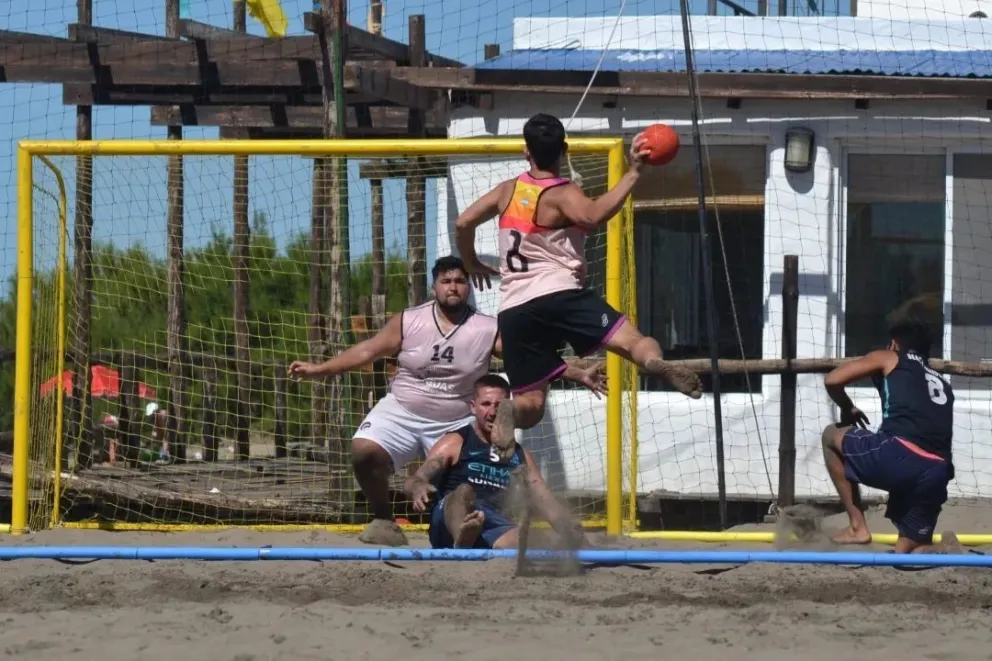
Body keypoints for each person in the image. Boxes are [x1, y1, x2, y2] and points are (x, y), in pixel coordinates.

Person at [288, 255, 605, 547]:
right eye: (446, 281)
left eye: (459, 281)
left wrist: (577, 374)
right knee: (363, 451)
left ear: (469, 287)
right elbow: (367, 351)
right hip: (402, 409)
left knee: (471, 485)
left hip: (455, 419)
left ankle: (476, 529)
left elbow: (530, 358)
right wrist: (319, 369)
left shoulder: (486, 327)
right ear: (434, 286)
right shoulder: (409, 320)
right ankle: (384, 518)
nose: (453, 287)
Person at [453, 112, 703, 456]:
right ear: (564, 150)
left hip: (514, 310)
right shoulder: (561, 193)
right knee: (634, 342)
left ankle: (510, 410)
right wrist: (633, 173)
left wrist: (470, 262)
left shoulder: (506, 191)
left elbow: (463, 222)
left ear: (526, 152)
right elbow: (594, 214)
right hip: (559, 295)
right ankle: (655, 364)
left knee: (532, 401)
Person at [819, 312, 960, 554]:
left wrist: (847, 407)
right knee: (908, 553)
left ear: (894, 343)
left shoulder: (890, 356)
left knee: (830, 435)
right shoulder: (942, 382)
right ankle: (935, 548)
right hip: (937, 472)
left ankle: (857, 528)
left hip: (897, 456)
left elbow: (833, 380)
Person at [405, 374, 584, 550]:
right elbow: (415, 478)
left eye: (499, 406)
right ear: (473, 407)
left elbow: (546, 501)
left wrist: (571, 531)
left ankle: (475, 541)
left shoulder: (520, 455)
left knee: (529, 540)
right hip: (450, 517)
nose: (492, 412)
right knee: (463, 491)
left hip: (493, 524)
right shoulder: (456, 441)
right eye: (486, 404)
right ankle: (462, 538)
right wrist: (417, 486)